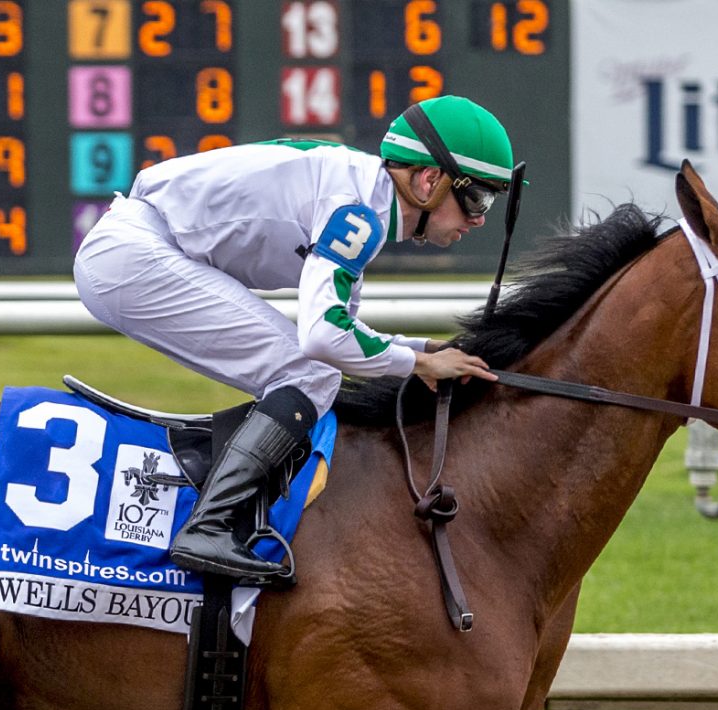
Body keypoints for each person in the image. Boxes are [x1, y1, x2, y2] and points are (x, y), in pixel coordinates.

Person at [74, 95, 513, 584]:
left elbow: (341, 331)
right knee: (309, 373)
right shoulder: (358, 212)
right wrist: (417, 365)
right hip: (134, 257)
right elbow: (324, 341)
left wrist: (420, 350)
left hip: (135, 249)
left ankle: (217, 508)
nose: (479, 219)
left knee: (310, 372)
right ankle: (209, 526)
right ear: (429, 180)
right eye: (477, 199)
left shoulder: (362, 196)